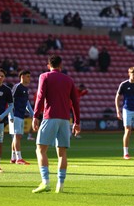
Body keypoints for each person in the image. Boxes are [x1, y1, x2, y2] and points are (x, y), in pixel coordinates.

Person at [32, 55, 80, 194]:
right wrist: (77, 122)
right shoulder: (69, 79)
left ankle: (45, 182)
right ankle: (61, 184)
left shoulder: (44, 77)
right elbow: (75, 102)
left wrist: (36, 115)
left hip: (50, 116)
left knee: (40, 150)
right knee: (62, 153)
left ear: (48, 65)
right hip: (65, 120)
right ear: (61, 65)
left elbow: (40, 96)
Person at [115, 67, 134, 160]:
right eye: (133, 74)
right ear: (129, 74)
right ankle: (126, 153)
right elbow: (117, 97)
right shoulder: (124, 84)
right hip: (127, 110)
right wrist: (118, 110)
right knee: (128, 131)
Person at [9, 70, 34, 165]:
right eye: (28, 76)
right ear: (22, 77)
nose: (29, 78)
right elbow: (10, 101)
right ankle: (19, 158)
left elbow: (26, 102)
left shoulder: (25, 89)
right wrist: (11, 114)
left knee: (16, 136)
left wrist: (32, 113)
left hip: (20, 114)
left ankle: (13, 157)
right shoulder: (17, 87)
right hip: (15, 114)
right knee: (17, 136)